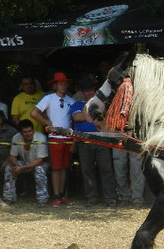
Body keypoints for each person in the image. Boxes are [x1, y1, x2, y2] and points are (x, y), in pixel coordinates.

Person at [70, 78, 118, 207]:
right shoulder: (77, 104)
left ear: (95, 90)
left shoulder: (101, 105)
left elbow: (86, 117)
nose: (89, 93)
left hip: (101, 139)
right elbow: (77, 117)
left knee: (106, 169)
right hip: (84, 140)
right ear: (82, 92)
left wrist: (87, 115)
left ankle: (110, 199)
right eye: (86, 91)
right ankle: (91, 199)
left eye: (91, 90)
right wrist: (94, 113)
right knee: (87, 170)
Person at [31, 72, 75, 207]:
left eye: (65, 84)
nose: (63, 86)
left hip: (67, 137)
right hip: (55, 137)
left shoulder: (71, 100)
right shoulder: (49, 98)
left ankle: (62, 196)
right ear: (55, 85)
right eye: (61, 84)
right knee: (56, 168)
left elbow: (74, 121)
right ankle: (56, 196)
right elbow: (34, 113)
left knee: (64, 167)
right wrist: (47, 123)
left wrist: (74, 139)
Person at [3, 119, 50, 206]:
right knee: (9, 167)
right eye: (25, 132)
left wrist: (21, 168)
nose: (28, 134)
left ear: (33, 130)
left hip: (40, 163)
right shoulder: (16, 137)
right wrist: (15, 166)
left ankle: (42, 199)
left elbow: (40, 160)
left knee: (39, 169)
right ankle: (9, 198)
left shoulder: (41, 138)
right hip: (24, 162)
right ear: (21, 133)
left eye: (30, 131)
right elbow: (12, 155)